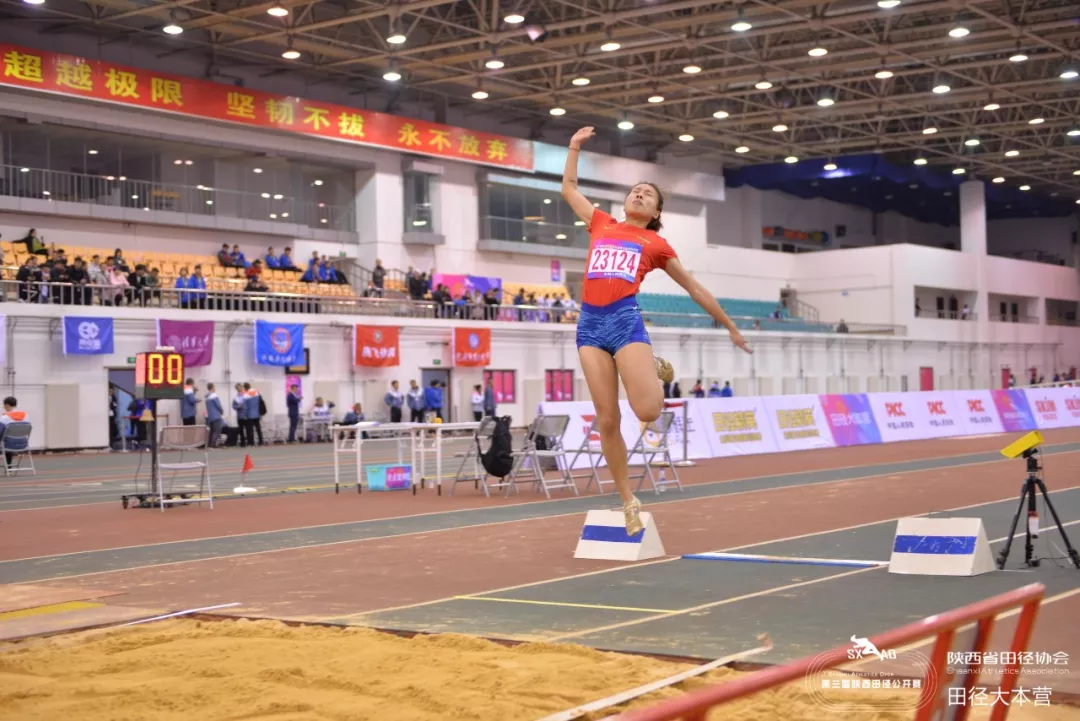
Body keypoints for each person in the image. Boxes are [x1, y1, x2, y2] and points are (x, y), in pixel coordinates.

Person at [561, 126, 752, 534]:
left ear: (655, 213)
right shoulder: (600, 223)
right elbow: (569, 188)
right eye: (635, 190)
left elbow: (694, 288)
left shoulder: (656, 245)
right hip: (589, 324)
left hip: (624, 319)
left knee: (647, 411)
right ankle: (627, 499)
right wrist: (574, 147)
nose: (639, 194)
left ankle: (650, 364)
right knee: (607, 419)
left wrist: (731, 326)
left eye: (647, 194)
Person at [205, 383, 225, 448]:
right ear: (212, 387)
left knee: (212, 431)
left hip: (210, 416)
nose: (215, 388)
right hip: (216, 416)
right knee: (217, 431)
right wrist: (222, 411)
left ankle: (209, 444)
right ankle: (213, 444)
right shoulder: (214, 395)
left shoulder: (207, 397)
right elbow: (218, 405)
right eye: (214, 387)